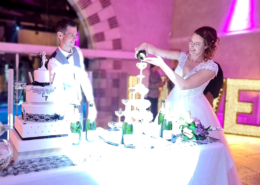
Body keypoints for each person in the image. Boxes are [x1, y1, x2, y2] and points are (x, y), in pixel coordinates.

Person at [135, 26, 241, 185]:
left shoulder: (211, 68)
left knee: (191, 152)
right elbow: (156, 50)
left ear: (206, 46)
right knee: (163, 146)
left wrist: (162, 65)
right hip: (172, 105)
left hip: (194, 112)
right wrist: (145, 46)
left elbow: (184, 85)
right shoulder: (183, 56)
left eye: (197, 44)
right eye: (191, 42)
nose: (191, 46)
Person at [47, 19, 97, 131]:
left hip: (78, 107)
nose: (75, 38)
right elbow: (57, 92)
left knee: (78, 141)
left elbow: (83, 77)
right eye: (71, 35)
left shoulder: (77, 52)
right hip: (64, 112)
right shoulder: (53, 62)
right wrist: (61, 114)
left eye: (76, 35)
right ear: (60, 35)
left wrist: (90, 100)